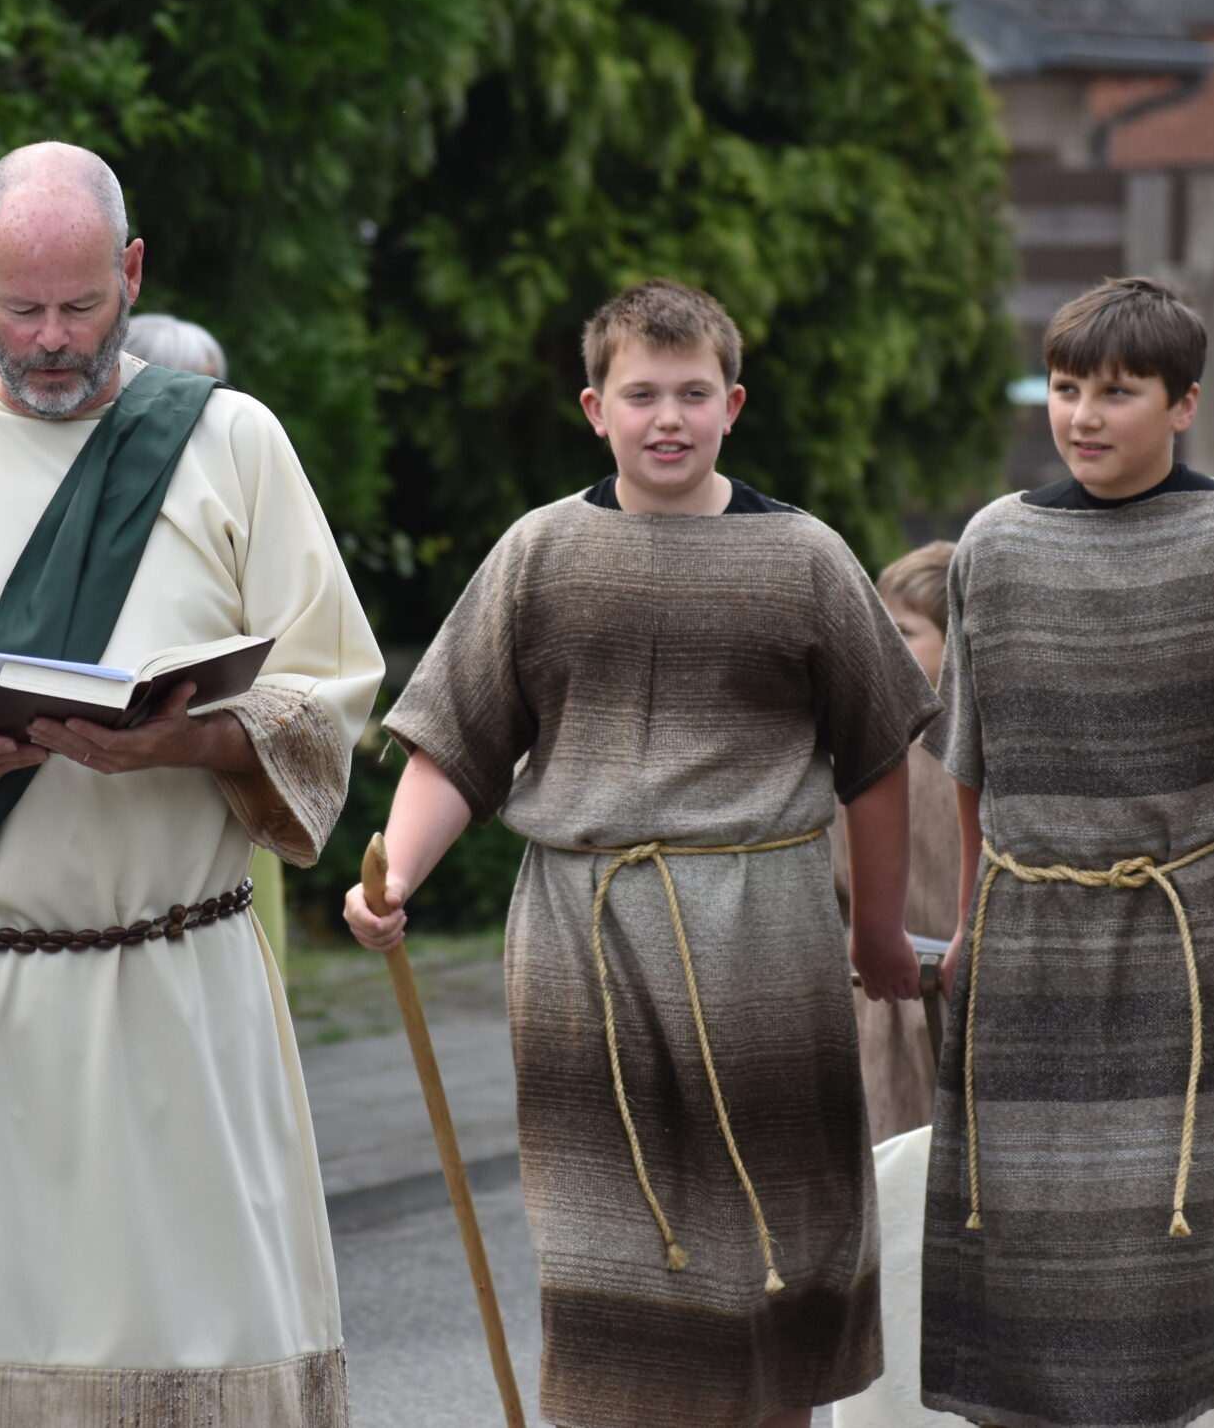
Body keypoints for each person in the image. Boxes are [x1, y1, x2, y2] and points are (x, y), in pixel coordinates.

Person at [0, 141, 381, 1428]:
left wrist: (197, 738)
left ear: (134, 272)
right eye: (22, 307)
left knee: (199, 1364)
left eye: (85, 307)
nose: (52, 341)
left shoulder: (231, 446)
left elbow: (330, 690)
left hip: (180, 1003)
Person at [347, 278, 940, 1428]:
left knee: (774, 1247)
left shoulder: (807, 558)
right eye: (641, 394)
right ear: (594, 407)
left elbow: (874, 760)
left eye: (691, 393)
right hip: (586, 943)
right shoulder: (539, 555)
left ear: (732, 404)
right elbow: (459, 744)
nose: (666, 417)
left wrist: (871, 934)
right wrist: (398, 876)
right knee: (611, 1247)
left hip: (766, 938)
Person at [921, 277, 1214, 1428]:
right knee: (1022, 1245)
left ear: (1181, 403)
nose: (1083, 415)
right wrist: (977, 924)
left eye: (1116, 393)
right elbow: (974, 770)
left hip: (1201, 940)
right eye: (1068, 389)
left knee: (1185, 1242)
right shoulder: (993, 544)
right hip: (1028, 944)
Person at [120, 308, 287, 966]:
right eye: (181, 387)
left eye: (209, 390)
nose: (196, 411)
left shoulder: (241, 483)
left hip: (225, 788)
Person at [832, 540, 964, 1141]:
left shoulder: (984, 752)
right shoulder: (856, 744)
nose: (887, 648)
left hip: (974, 997)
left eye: (906, 632)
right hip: (880, 1002)